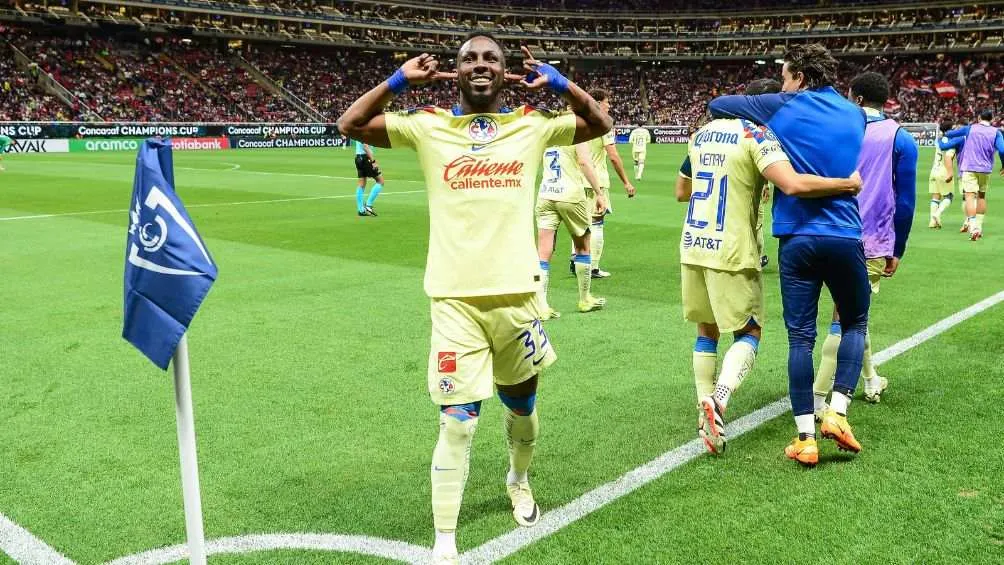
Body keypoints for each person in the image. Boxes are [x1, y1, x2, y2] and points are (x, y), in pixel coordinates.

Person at [336, 35, 612, 565]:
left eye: (491, 59)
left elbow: (599, 125)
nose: (480, 65)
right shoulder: (427, 123)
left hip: (517, 297)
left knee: (522, 409)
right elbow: (350, 125)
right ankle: (444, 543)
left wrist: (561, 83)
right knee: (457, 421)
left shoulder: (532, 124)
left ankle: (518, 478)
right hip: (453, 299)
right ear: (454, 72)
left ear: (507, 72)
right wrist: (397, 82)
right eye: (469, 59)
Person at [676, 77, 862, 455]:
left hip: (693, 243)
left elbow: (682, 191)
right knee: (749, 332)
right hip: (732, 248)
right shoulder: (756, 135)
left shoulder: (701, 135)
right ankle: (719, 399)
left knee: (706, 328)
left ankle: (702, 402)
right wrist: (846, 184)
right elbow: (791, 184)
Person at [812, 72, 917, 415]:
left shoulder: (835, 128)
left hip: (824, 232)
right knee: (844, 319)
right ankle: (817, 400)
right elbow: (905, 203)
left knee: (854, 314)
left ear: (855, 99)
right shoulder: (901, 139)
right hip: (870, 241)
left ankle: (870, 378)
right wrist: (897, 249)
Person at [537, 139, 607, 318]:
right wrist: (599, 193)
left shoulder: (548, 135)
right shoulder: (577, 135)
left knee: (543, 253)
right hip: (570, 195)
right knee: (583, 246)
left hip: (546, 194)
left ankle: (541, 306)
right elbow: (584, 162)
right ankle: (585, 299)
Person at [574, 89, 636, 279]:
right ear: (599, 103)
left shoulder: (577, 121)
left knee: (580, 223)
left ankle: (576, 260)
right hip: (596, 180)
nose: (609, 106)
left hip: (576, 178)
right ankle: (592, 267)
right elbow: (614, 156)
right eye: (607, 102)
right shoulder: (603, 124)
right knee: (597, 223)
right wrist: (626, 181)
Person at [939, 108, 1004, 241]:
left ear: (979, 118)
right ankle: (979, 227)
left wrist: (944, 135)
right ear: (991, 120)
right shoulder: (996, 132)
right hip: (985, 169)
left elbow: (951, 134)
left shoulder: (970, 128)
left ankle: (973, 227)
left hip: (969, 167)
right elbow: (1002, 150)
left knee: (969, 196)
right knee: (981, 196)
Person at [928, 119, 958, 229]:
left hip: (934, 170)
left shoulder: (939, 140)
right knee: (948, 197)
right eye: (954, 128)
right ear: (950, 130)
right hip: (944, 171)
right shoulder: (952, 142)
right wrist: (950, 172)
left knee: (936, 196)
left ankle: (932, 221)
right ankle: (937, 214)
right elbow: (948, 157)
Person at [353, 140, 384, 216]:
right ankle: (368, 205)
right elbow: (365, 147)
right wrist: (373, 162)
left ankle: (361, 210)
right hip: (365, 158)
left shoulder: (357, 130)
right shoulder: (364, 131)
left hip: (358, 157)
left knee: (361, 184)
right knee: (380, 181)